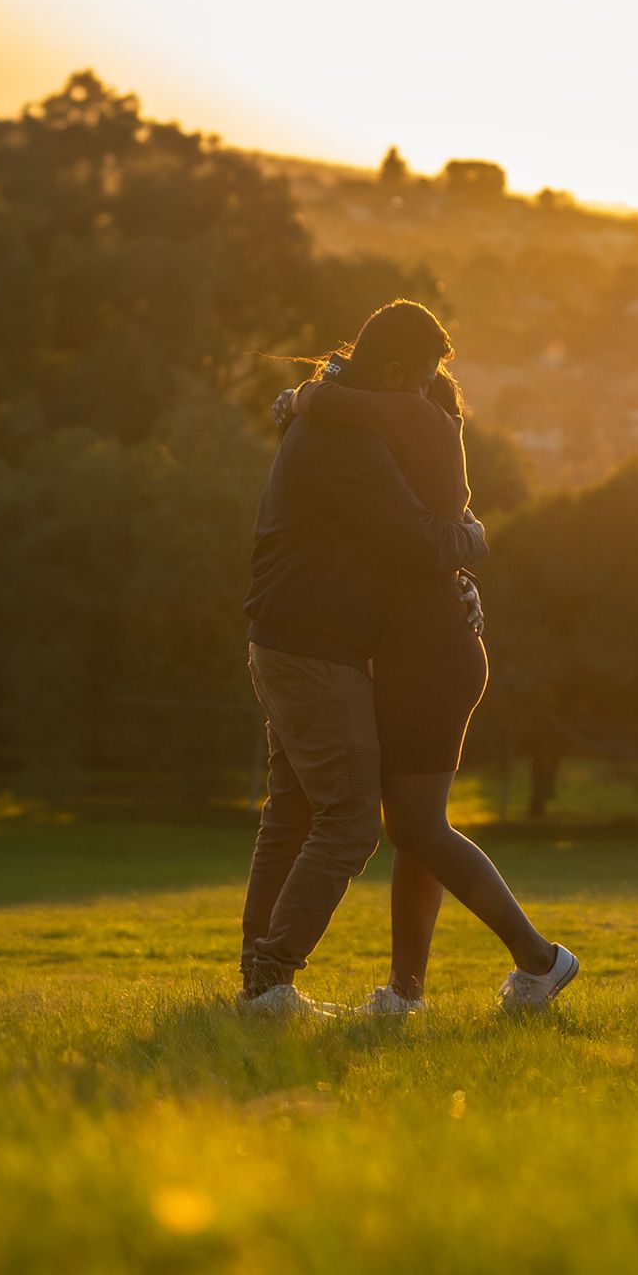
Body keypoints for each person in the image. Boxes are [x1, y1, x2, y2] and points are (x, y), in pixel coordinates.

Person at [278, 300, 579, 1015]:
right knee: (414, 822)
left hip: (432, 652)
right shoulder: (418, 413)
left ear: (388, 371)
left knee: (415, 825)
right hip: (423, 645)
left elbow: (327, 401)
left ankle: (541, 960)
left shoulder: (410, 415)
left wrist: (297, 397)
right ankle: (406, 993)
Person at [238, 301, 486, 1015]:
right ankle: (271, 982)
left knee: (289, 812)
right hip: (314, 649)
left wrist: (460, 582)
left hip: (288, 639)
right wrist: (475, 541)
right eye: (418, 384)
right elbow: (417, 539)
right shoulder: (343, 441)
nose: (419, 401)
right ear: (394, 372)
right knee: (348, 821)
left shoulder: (328, 416)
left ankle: (260, 983)